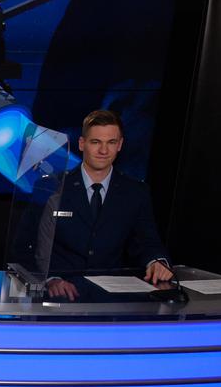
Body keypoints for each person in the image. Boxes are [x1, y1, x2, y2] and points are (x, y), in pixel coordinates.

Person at [44, 110, 172, 300]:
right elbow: (28, 247)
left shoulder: (136, 192)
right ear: (82, 143)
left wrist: (157, 261)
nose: (104, 151)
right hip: (62, 294)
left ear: (120, 145)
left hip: (113, 298)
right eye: (96, 142)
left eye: (111, 143)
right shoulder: (51, 188)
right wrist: (50, 280)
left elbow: (147, 242)